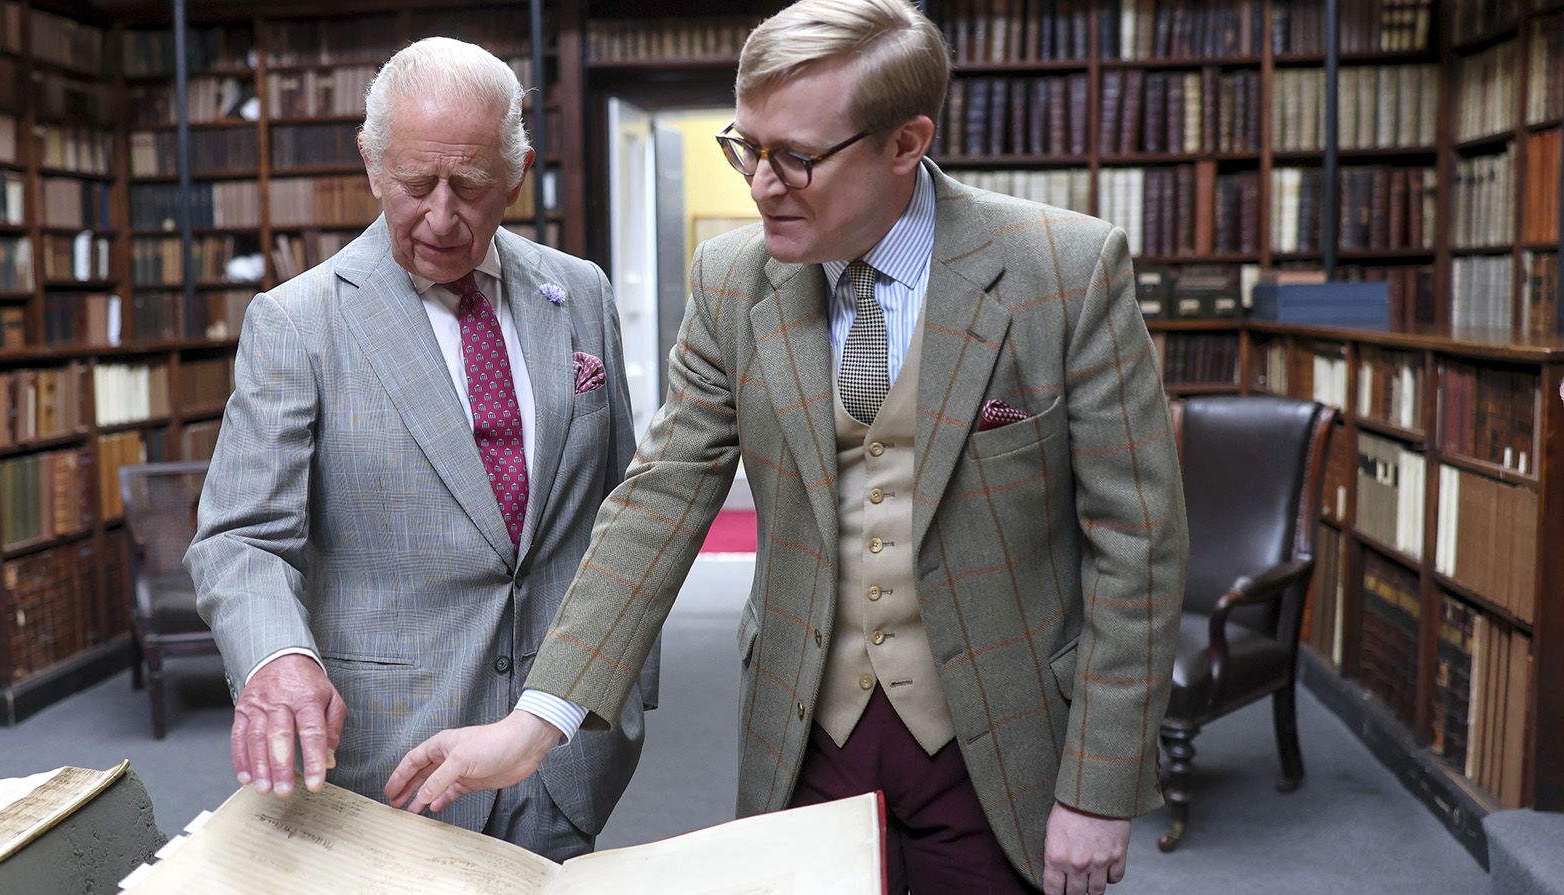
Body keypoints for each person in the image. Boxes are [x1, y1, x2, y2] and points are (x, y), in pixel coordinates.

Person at [385, 2, 1187, 894]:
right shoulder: (732, 283)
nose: (761, 184)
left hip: (1005, 740)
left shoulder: (1064, 273)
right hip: (807, 732)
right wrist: (537, 719)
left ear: (905, 142)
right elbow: (659, 497)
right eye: (748, 147)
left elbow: (1138, 545)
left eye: (796, 156)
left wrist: (1099, 786)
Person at [183, 36, 654, 861]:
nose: (441, 215)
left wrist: (624, 690)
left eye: (469, 185)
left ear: (517, 173)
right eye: (415, 183)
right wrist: (277, 657)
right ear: (371, 165)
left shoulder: (580, 292)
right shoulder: (299, 322)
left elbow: (624, 506)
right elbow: (241, 536)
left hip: (564, 754)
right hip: (389, 762)